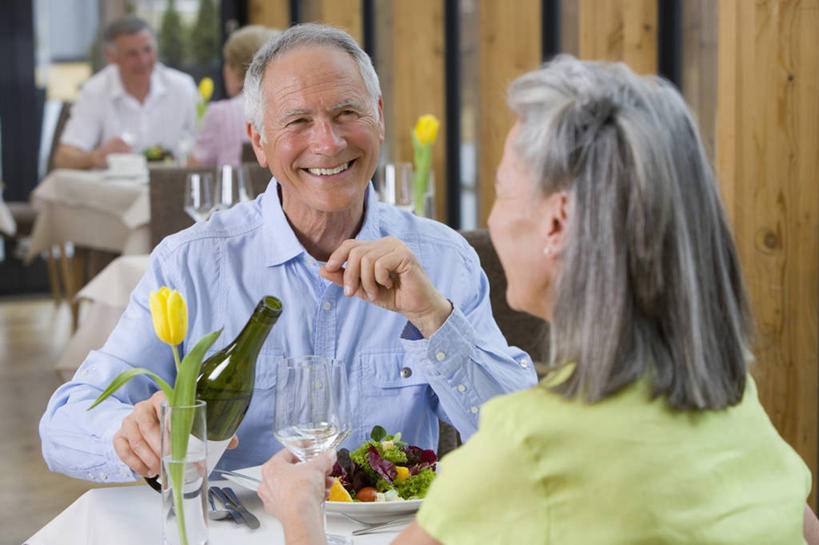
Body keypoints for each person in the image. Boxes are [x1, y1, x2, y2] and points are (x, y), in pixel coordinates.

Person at [257, 55, 819, 544]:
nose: (492, 219)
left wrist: (299, 512)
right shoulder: (734, 403)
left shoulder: (531, 444)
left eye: (501, 193)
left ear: (557, 221)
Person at [39, 24, 536, 483]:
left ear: (379, 118)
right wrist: (129, 435)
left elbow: (521, 438)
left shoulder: (444, 258)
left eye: (347, 113)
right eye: (298, 120)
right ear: (258, 141)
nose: (328, 142)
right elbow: (65, 422)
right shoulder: (190, 265)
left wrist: (434, 318)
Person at [54, 16, 197, 170]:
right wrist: (97, 157)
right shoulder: (95, 91)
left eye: (147, 50)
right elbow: (63, 159)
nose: (143, 60)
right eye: (132, 54)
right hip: (114, 192)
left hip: (171, 186)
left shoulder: (182, 87)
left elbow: (204, 147)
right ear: (111, 57)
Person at [188, 25, 279, 167]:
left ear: (234, 69)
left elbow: (193, 169)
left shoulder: (220, 113)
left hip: (235, 187)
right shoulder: (288, 107)